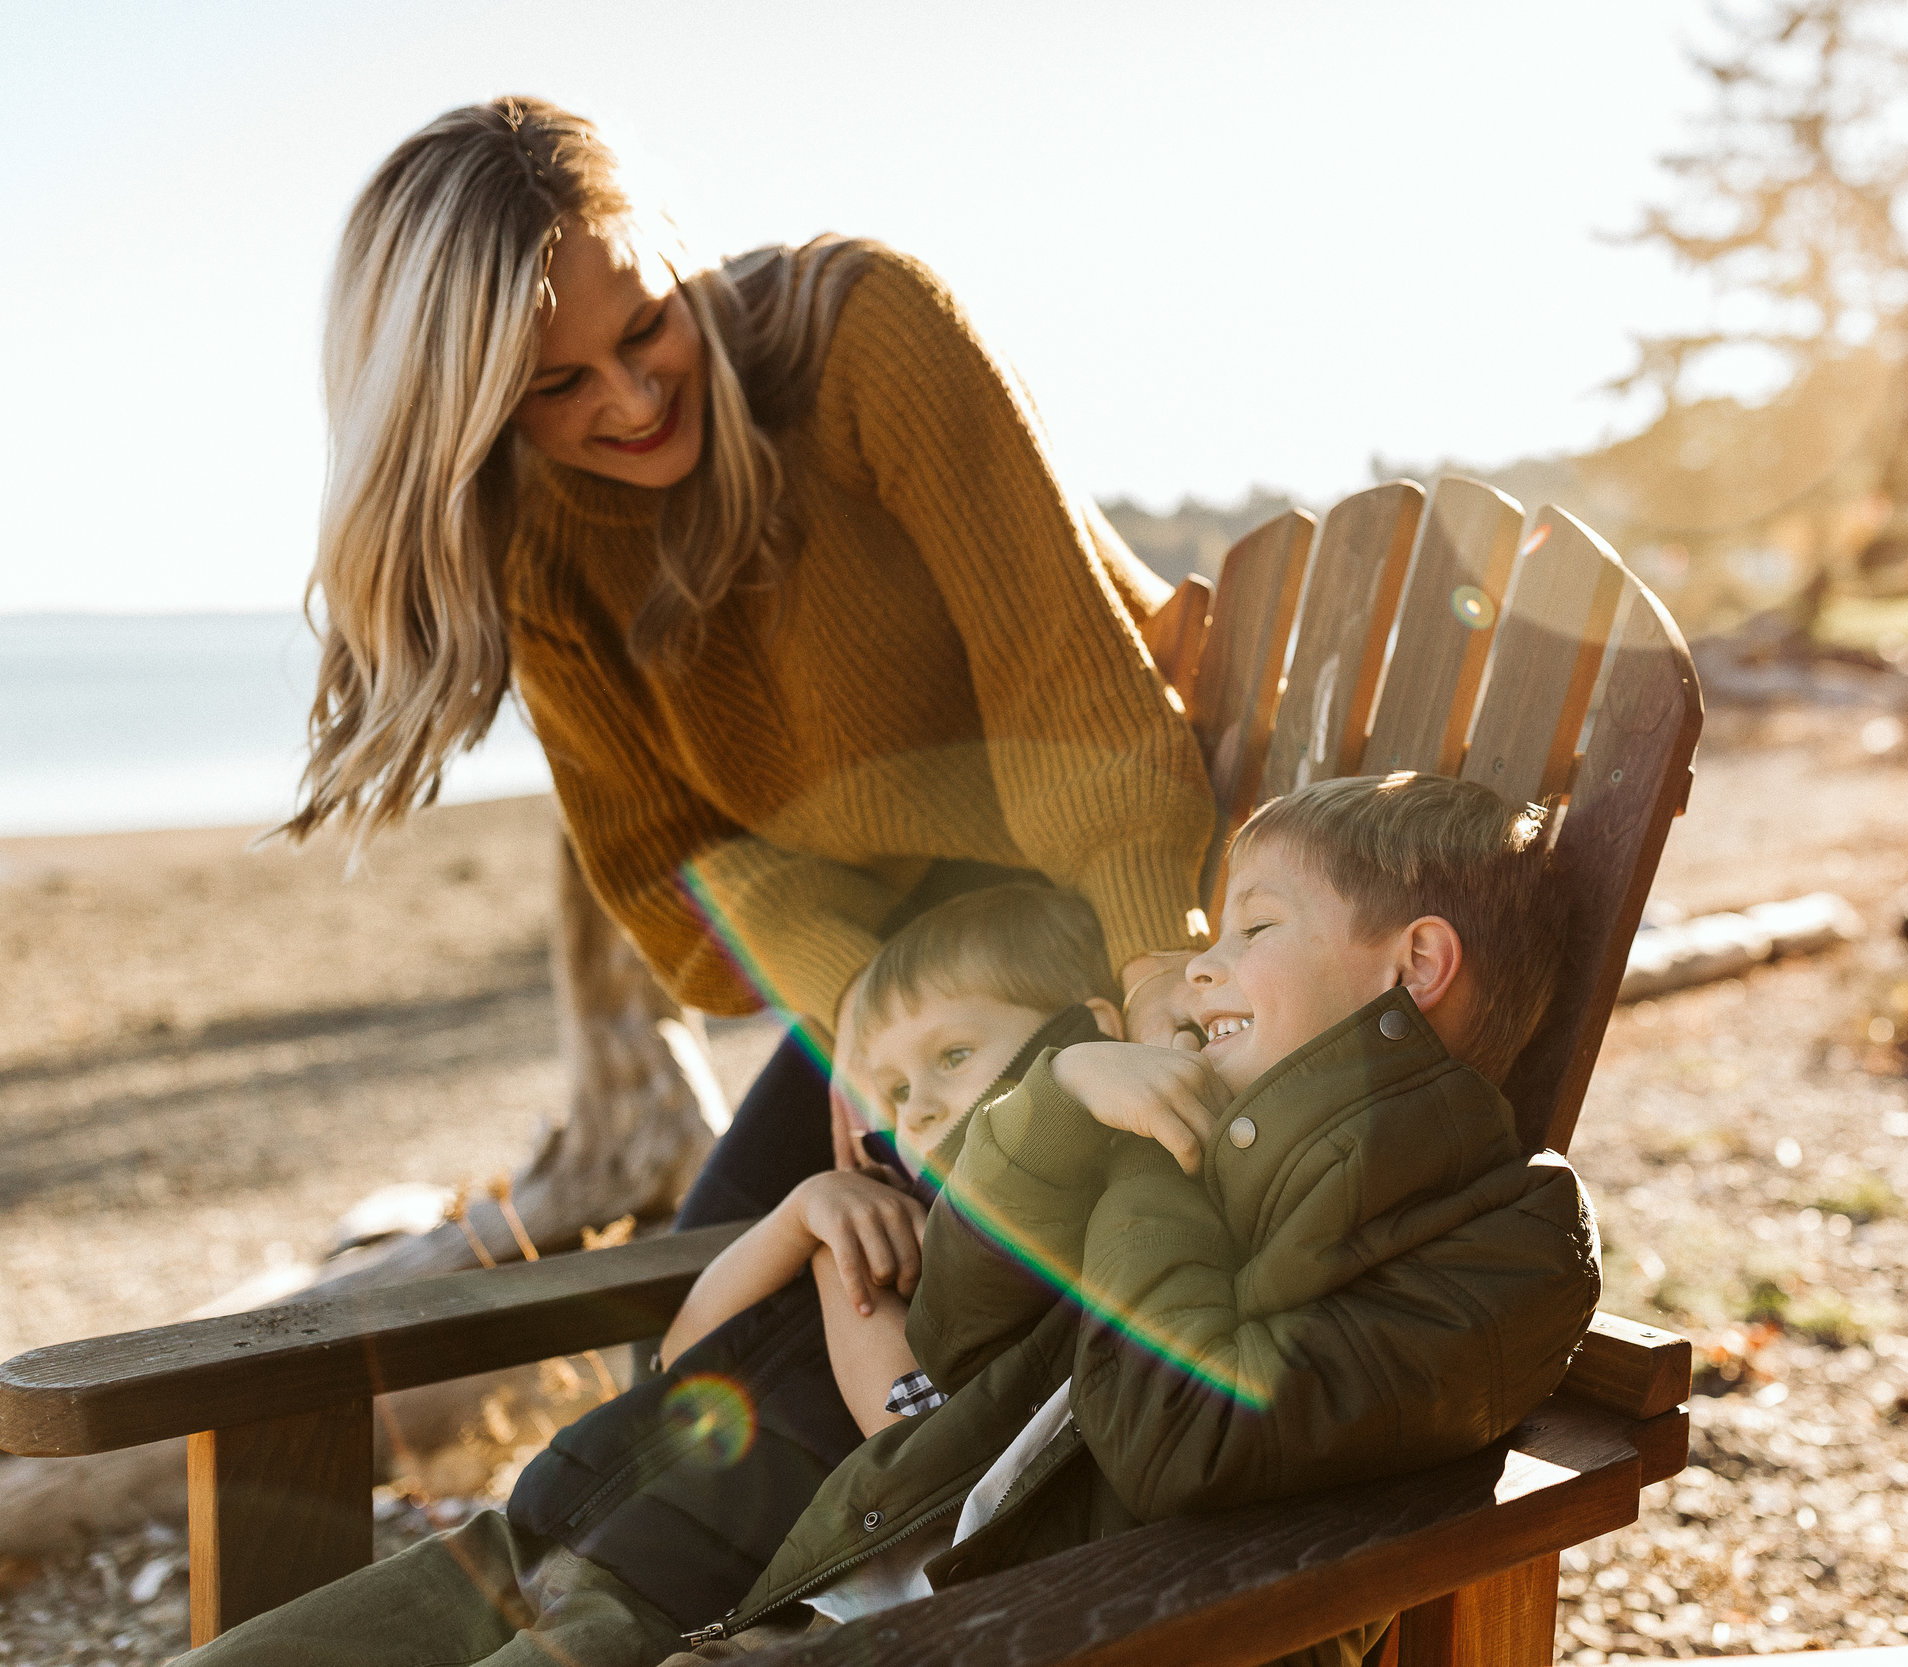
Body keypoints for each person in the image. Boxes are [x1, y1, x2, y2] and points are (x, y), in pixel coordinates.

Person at [181, 772, 1600, 1667]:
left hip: (965, 1625)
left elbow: (1183, 1437)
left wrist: (1147, 1143)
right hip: (703, 1555)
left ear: (1415, 964)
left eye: (1255, 927)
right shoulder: (1186, 1129)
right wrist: (1059, 1107)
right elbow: (959, 1313)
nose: (1204, 960)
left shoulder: (1512, 1244)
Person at [281, 95, 1216, 1256]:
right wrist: (877, 1028)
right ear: (469, 414)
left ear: (674, 252)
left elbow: (1072, 700)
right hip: (925, 972)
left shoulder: (870, 336)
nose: (628, 398)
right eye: (555, 385)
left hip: (1140, 891)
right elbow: (681, 870)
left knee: (911, 1286)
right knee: (719, 1296)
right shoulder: (533, 547)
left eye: (645, 325)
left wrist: (1158, 969)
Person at [658, 885, 1128, 1438]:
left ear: (1092, 1029)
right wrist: (802, 1213)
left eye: (954, 1056)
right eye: (898, 1090)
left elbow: (922, 1449)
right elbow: (677, 1356)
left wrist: (836, 1269)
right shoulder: (890, 1197)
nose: (920, 1110)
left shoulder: (1093, 1206)